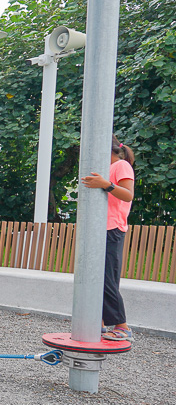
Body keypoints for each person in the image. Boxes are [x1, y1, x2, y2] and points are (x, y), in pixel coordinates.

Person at [80, 136, 136, 342]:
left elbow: (128, 195)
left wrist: (106, 184)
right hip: (98, 229)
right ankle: (100, 321)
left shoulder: (121, 165)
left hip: (112, 228)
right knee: (93, 277)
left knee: (106, 279)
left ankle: (122, 326)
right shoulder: (105, 169)